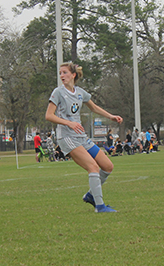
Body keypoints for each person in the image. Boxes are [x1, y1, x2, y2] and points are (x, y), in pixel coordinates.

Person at [46, 62, 123, 213]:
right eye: (60, 73)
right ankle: (100, 207)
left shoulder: (80, 92)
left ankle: (90, 195)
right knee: (93, 167)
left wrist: (111, 116)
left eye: (65, 73)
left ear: (73, 75)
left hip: (81, 136)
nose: (62, 76)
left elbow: (94, 107)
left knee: (107, 166)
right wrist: (68, 123)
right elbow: (49, 116)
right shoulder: (58, 92)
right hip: (67, 137)